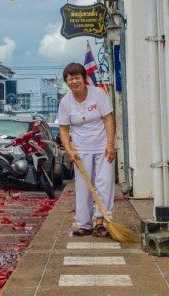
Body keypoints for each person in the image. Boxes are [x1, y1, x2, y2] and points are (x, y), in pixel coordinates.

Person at [57, 62, 115, 238]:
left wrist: (110, 144)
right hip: (81, 149)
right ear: (67, 82)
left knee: (104, 184)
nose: (74, 81)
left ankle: (101, 221)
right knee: (83, 187)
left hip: (103, 146)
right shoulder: (65, 102)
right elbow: (64, 129)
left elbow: (108, 120)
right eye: (70, 79)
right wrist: (69, 150)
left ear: (84, 78)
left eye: (77, 77)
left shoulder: (99, 94)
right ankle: (84, 224)